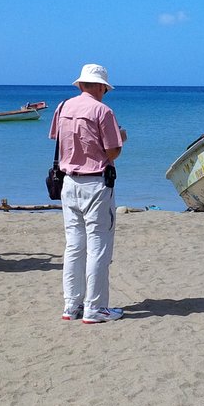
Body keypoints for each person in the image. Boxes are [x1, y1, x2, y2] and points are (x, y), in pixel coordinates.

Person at [48, 64, 128, 323]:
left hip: (69, 182)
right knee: (98, 247)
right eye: (105, 87)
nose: (105, 91)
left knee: (74, 246)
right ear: (98, 86)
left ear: (81, 84)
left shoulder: (63, 107)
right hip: (95, 183)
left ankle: (71, 305)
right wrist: (121, 138)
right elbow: (112, 151)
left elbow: (58, 140)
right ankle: (96, 308)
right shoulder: (102, 111)